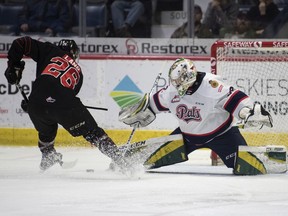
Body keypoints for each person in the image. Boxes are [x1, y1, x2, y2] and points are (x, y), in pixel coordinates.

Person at [119, 58, 273, 171]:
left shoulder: (212, 86)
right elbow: (152, 104)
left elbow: (235, 99)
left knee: (249, 167)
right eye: (175, 81)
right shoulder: (172, 90)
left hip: (222, 136)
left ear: (189, 77)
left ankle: (273, 159)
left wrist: (248, 111)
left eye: (179, 81)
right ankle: (123, 161)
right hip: (186, 137)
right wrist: (140, 111)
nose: (176, 85)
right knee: (146, 161)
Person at [4, 36, 127, 171]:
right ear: (74, 54)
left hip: (36, 102)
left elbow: (21, 42)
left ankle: (48, 154)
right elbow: (60, 101)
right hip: (63, 102)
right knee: (92, 132)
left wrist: (13, 65)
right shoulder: (79, 73)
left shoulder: (49, 50)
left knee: (46, 129)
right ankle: (122, 162)